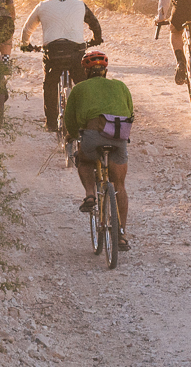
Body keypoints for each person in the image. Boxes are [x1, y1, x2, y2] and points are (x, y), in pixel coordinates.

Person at [62, 46, 133, 248]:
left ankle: (90, 195)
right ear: (106, 71)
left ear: (85, 72)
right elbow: (130, 112)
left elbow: (70, 121)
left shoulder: (78, 89)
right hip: (119, 137)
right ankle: (120, 234)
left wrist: (73, 135)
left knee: (84, 159)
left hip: (92, 137)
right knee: (120, 186)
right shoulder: (121, 86)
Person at [17, 0, 105, 132]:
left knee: (50, 85)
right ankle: (89, 119)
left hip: (53, 53)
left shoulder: (42, 6)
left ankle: (51, 123)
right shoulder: (79, 4)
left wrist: (25, 45)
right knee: (83, 84)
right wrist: (96, 38)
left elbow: (27, 29)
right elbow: (94, 23)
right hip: (76, 52)